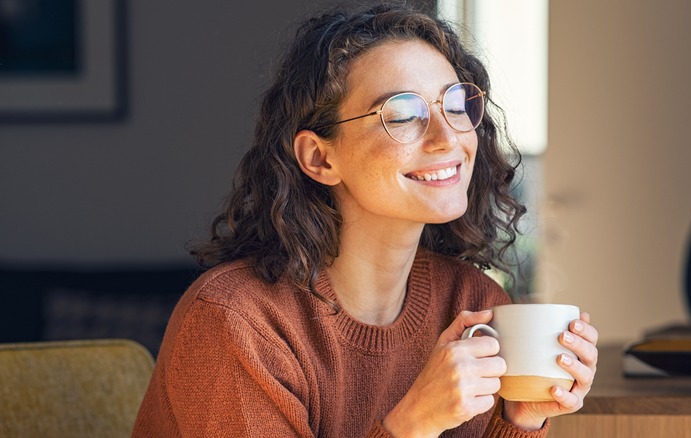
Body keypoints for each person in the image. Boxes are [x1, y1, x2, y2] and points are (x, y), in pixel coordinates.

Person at [133, 3, 598, 437]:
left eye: (455, 105)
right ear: (319, 158)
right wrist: (411, 424)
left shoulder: (472, 302)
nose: (447, 138)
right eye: (402, 114)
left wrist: (521, 418)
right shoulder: (237, 324)